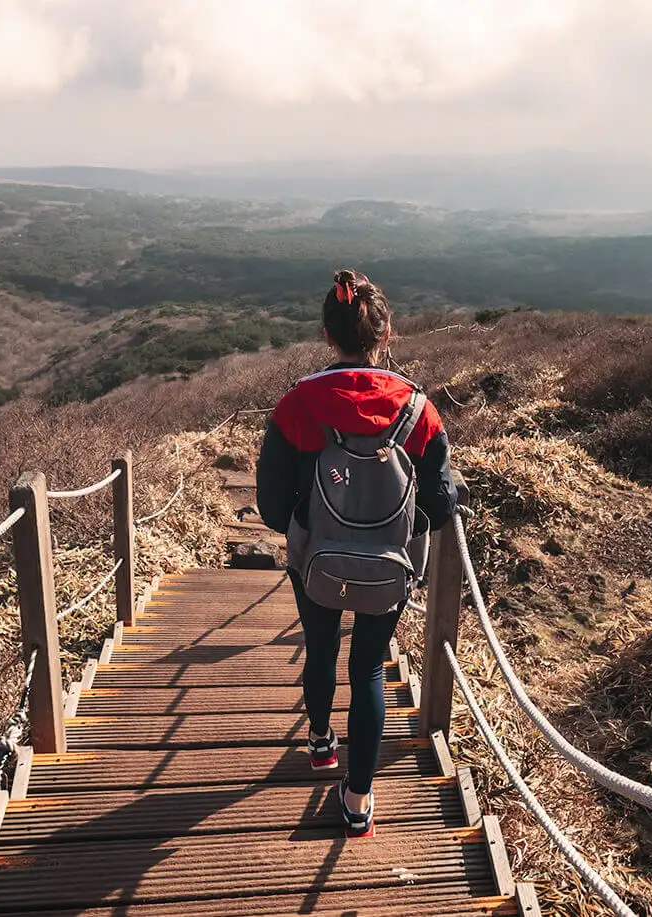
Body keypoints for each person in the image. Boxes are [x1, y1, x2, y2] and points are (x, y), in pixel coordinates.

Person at [256, 269, 455, 839]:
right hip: (391, 567)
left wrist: (310, 521)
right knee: (369, 664)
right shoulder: (418, 410)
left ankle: (320, 743)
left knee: (320, 649)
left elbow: (271, 506)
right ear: (385, 333)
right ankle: (358, 797)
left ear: (326, 335)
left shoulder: (298, 404)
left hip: (315, 558)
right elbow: (440, 508)